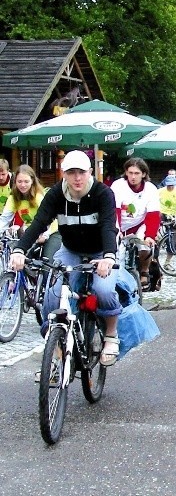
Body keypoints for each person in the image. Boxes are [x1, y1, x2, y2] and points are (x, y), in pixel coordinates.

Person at [9, 151, 121, 365]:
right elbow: (39, 223)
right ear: (64, 174)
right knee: (53, 293)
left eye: (81, 172)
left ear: (90, 172)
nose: (77, 178)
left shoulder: (102, 193)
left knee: (104, 290)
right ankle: (57, 344)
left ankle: (111, 335)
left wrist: (108, 256)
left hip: (100, 252)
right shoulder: (55, 195)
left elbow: (108, 225)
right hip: (71, 250)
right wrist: (19, 250)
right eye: (71, 173)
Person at [111, 158, 161, 291]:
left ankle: (144, 270)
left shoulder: (150, 189)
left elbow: (153, 215)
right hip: (120, 225)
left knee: (145, 247)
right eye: (130, 173)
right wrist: (117, 230)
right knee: (117, 256)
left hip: (140, 224)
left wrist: (150, 235)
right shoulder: (118, 186)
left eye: (137, 173)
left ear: (143, 174)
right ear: (126, 173)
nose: (133, 177)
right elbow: (113, 211)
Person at [0, 164, 61, 264]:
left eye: (26, 181)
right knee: (18, 259)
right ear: (15, 182)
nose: (23, 185)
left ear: (32, 181)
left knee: (47, 263)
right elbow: (4, 220)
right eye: (19, 181)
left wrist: (45, 235)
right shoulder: (13, 198)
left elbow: (50, 219)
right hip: (32, 233)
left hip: (51, 232)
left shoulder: (38, 196)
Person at [157, 175, 176, 271]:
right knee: (155, 237)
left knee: (172, 241)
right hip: (161, 215)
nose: (170, 187)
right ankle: (153, 259)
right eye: (168, 185)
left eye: (172, 185)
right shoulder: (160, 191)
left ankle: (167, 262)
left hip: (173, 217)